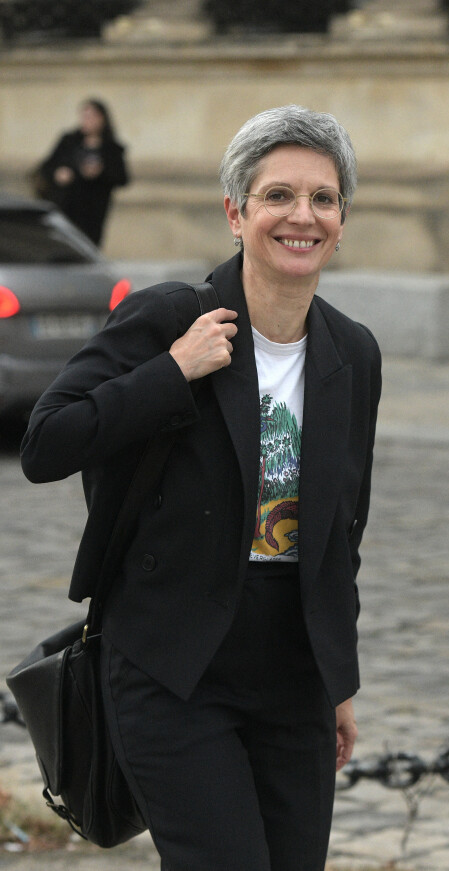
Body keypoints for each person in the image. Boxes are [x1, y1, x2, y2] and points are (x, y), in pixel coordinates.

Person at [20, 105, 382, 871]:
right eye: (278, 195)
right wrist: (171, 372)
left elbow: (341, 532)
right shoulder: (169, 318)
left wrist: (337, 677)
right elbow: (46, 443)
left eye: (323, 198)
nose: (302, 216)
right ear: (235, 212)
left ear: (342, 220)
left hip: (293, 671)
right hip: (171, 662)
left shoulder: (353, 352)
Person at [33, 98, 129, 246]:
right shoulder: (69, 141)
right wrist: (58, 174)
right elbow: (47, 167)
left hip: (93, 211)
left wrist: (100, 173)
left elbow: (122, 178)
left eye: (91, 117)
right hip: (66, 206)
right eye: (84, 116)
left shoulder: (111, 148)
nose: (86, 121)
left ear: (102, 119)